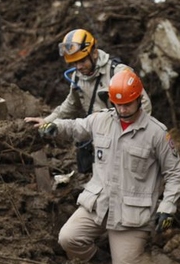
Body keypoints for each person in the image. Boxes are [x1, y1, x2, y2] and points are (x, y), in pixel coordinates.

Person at [37, 69, 180, 264]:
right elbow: (75, 126)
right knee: (68, 239)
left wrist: (167, 208)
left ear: (139, 99)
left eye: (127, 104)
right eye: (118, 104)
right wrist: (54, 126)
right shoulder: (101, 120)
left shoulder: (156, 133)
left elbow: (175, 174)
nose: (122, 109)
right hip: (99, 204)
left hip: (131, 215)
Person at [25, 28, 153, 173]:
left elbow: (144, 103)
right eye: (74, 63)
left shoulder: (118, 73)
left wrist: (134, 135)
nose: (79, 66)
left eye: (82, 61)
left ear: (94, 52)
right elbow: (70, 105)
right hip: (99, 140)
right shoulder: (77, 76)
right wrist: (48, 120)